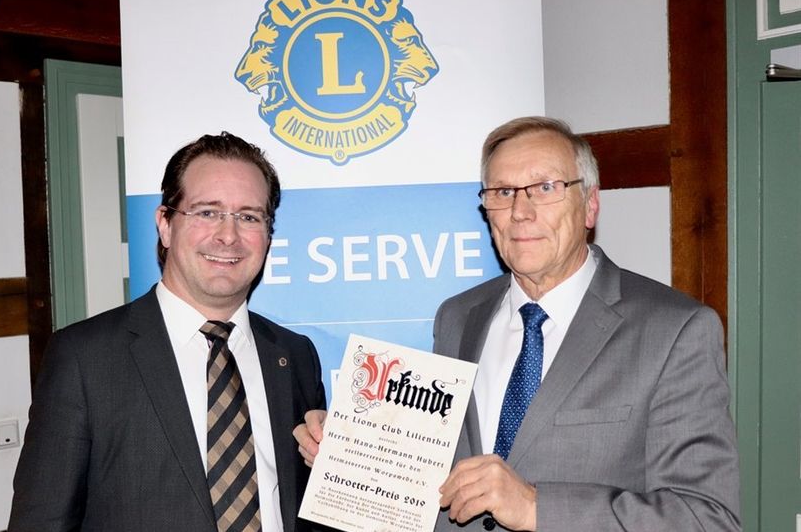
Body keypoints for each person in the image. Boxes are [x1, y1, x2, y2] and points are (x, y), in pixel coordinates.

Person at [294, 117, 741, 531]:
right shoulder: (457, 316)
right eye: (503, 192)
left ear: (589, 205)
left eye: (545, 187)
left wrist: (534, 506)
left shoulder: (675, 330)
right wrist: (353, 457)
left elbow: (706, 518)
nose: (520, 211)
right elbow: (439, 487)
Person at [10, 132, 326, 531]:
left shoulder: (294, 355)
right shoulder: (84, 357)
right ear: (165, 224)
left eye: (249, 216)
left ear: (267, 234)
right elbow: (42, 521)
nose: (228, 235)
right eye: (207, 212)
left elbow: (311, 510)